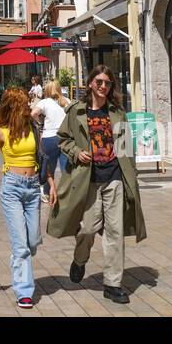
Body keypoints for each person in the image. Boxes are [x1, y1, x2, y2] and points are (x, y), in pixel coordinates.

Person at [47, 65, 147, 305]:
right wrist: (76, 152)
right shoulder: (76, 111)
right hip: (88, 180)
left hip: (114, 177)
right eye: (99, 82)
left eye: (108, 83)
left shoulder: (117, 112)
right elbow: (63, 139)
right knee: (89, 228)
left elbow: (126, 148)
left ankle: (113, 284)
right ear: (90, 83)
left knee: (115, 232)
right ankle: (80, 259)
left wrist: (131, 178)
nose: (104, 87)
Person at [0, 88, 49, 310]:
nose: (29, 106)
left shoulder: (33, 127)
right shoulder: (0, 133)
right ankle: (24, 291)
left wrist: (51, 183)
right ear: (14, 107)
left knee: (33, 241)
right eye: (25, 104)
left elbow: (42, 157)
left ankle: (18, 259)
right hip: (12, 189)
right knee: (21, 247)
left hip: (33, 187)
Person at [32, 83, 69, 203]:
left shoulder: (44, 102)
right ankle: (65, 193)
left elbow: (33, 114)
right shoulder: (66, 101)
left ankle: (47, 192)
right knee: (66, 168)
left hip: (49, 137)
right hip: (65, 137)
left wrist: (40, 123)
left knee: (48, 168)